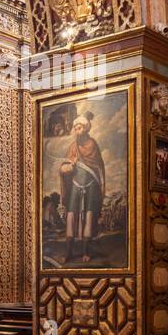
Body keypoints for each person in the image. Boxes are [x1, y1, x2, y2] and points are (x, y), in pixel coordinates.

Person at [58, 110, 105, 264]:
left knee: (89, 217)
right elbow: (63, 168)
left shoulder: (92, 144)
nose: (77, 131)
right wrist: (68, 167)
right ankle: (69, 251)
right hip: (75, 186)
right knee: (71, 216)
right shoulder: (73, 146)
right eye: (75, 128)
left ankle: (86, 251)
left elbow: (98, 167)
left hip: (91, 186)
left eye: (80, 128)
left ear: (86, 128)